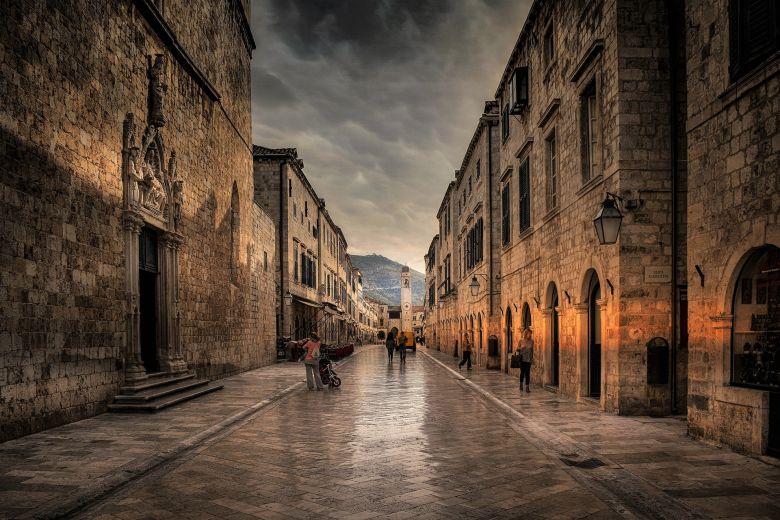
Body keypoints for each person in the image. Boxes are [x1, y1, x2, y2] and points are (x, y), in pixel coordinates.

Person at [518, 328, 534, 393]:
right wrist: (521, 348)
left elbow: (532, 350)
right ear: (526, 333)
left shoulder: (532, 341)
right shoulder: (521, 340)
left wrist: (532, 358)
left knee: (527, 373)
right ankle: (521, 385)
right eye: (529, 333)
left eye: (531, 334)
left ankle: (527, 387)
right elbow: (517, 349)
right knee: (522, 373)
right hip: (522, 359)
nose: (530, 335)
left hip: (528, 359)